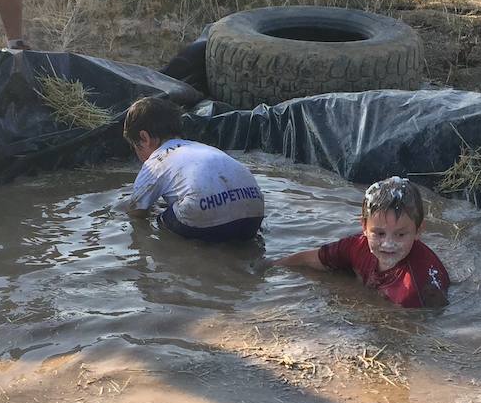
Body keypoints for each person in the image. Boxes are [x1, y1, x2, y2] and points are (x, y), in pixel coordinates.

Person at [276, 177, 449, 309]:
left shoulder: (415, 288)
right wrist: (271, 265)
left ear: (418, 231)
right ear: (364, 227)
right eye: (380, 233)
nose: (388, 243)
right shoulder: (357, 246)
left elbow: (414, 326)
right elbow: (309, 260)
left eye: (401, 234)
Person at [123, 97, 266, 243]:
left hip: (201, 215)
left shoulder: (155, 161)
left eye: (135, 147)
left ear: (144, 137)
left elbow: (136, 211)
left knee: (160, 221)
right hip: (253, 211)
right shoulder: (201, 147)